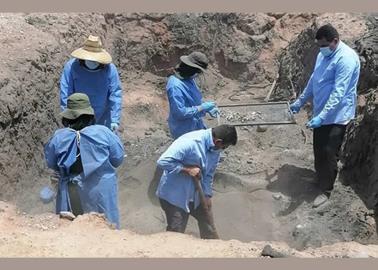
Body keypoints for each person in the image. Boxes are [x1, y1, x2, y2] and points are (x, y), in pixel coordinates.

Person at [290, 24, 360, 208]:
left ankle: (326, 190)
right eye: (319, 45)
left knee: (329, 152)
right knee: (318, 148)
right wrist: (301, 100)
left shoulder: (346, 59)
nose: (321, 49)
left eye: (323, 45)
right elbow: (314, 79)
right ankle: (319, 178)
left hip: (337, 115)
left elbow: (339, 92)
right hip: (321, 112)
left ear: (335, 41)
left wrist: (323, 116)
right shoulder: (323, 54)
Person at [44, 93, 125, 228]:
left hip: (71, 190)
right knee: (106, 228)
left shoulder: (58, 137)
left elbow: (51, 163)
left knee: (71, 228)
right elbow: (117, 159)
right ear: (90, 114)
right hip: (100, 190)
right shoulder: (104, 133)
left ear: (68, 116)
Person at [156, 124, 237, 239]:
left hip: (197, 195)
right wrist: (187, 170)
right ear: (218, 141)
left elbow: (209, 174)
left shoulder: (215, 149)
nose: (223, 150)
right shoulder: (190, 142)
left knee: (208, 226)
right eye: (224, 147)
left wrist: (207, 194)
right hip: (175, 196)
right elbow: (163, 161)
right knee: (176, 233)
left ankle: (213, 251)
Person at [60, 35, 122, 132]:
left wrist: (114, 120)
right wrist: (67, 115)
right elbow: (66, 92)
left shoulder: (110, 69)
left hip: (103, 117)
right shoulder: (72, 67)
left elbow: (115, 94)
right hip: (79, 116)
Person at [166, 51, 219, 139]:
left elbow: (193, 99)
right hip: (184, 131)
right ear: (190, 69)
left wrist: (206, 109)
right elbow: (180, 113)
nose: (197, 75)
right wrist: (201, 108)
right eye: (197, 72)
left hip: (195, 125)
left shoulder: (189, 79)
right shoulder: (175, 86)